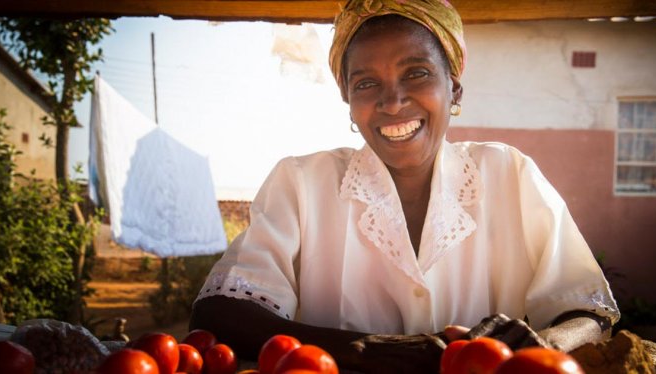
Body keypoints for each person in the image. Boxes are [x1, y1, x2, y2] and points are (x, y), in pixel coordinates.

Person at [190, 0, 619, 371]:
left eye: (416, 74)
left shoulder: (509, 173)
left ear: (453, 87)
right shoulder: (302, 183)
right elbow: (220, 312)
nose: (392, 102)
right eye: (366, 83)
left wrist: (547, 342)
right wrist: (362, 350)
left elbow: (586, 308)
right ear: (347, 98)